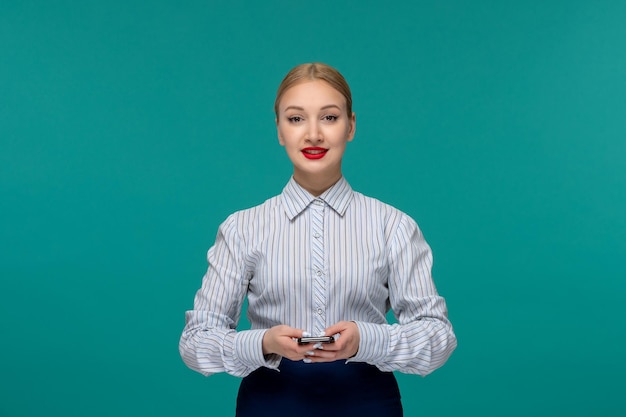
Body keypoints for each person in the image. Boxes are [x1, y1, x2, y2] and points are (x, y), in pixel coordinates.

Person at [179, 62, 457, 416]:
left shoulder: (393, 226)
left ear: (351, 126)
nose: (313, 135)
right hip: (270, 404)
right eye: (296, 119)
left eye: (329, 117)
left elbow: (438, 338)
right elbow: (195, 342)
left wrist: (366, 339)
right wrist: (262, 343)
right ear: (279, 129)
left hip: (368, 405)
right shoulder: (242, 228)